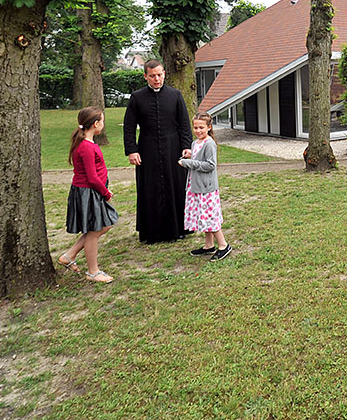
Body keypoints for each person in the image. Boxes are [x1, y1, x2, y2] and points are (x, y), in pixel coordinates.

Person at [123, 59, 194, 244]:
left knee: (176, 187)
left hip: (173, 147)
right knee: (150, 188)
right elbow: (129, 127)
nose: (157, 79)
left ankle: (179, 229)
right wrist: (132, 150)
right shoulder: (137, 98)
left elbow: (185, 124)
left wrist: (187, 146)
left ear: (164, 74)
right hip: (147, 149)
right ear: (145, 76)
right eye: (153, 76)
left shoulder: (176, 95)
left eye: (160, 75)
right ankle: (152, 233)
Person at [59, 107, 118, 284]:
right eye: (102, 121)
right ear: (95, 124)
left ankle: (69, 255)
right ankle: (93, 271)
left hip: (91, 192)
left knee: (102, 226)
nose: (103, 124)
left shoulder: (88, 144)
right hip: (88, 192)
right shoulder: (85, 146)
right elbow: (92, 177)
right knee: (95, 230)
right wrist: (106, 193)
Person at [180, 112, 232, 261]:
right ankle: (209, 245)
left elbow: (210, 165)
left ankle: (223, 245)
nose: (198, 131)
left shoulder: (210, 144)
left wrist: (188, 163)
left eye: (201, 127)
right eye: (195, 127)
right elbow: (199, 158)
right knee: (202, 216)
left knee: (210, 216)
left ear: (209, 127)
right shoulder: (195, 143)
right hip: (195, 186)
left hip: (206, 188)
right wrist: (190, 155)